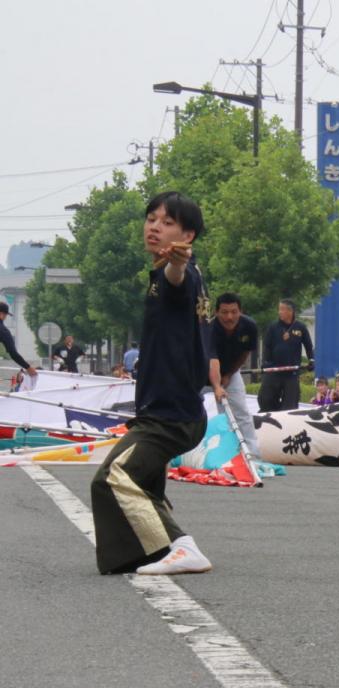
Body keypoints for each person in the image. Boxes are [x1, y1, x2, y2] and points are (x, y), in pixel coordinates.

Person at [90, 191, 212, 576]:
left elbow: (176, 277)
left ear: (187, 236)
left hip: (169, 415)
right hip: (171, 409)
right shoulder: (176, 275)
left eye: (167, 222)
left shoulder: (178, 274)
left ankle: (182, 546)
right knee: (145, 486)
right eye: (151, 218)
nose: (154, 227)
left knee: (112, 477)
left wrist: (178, 263)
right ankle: (154, 552)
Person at [207, 292, 260, 458]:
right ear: (216, 312)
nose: (229, 317)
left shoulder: (250, 326)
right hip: (201, 369)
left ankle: (252, 456)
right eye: (224, 312)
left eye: (234, 312)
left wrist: (229, 374)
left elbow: (245, 353)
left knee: (241, 412)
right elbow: (212, 358)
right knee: (189, 411)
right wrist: (217, 386)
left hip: (230, 370)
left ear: (240, 311)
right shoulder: (208, 328)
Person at [259, 299, 313, 412]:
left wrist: (311, 360)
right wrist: (265, 363)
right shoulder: (273, 327)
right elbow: (267, 347)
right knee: (265, 399)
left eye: (282, 309)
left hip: (291, 372)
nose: (279, 312)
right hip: (274, 369)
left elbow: (308, 346)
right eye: (279, 309)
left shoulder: (300, 327)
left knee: (291, 404)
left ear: (290, 311)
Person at [0, 301, 37, 377]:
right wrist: (28, 367)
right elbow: (13, 353)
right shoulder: (3, 331)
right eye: (6, 315)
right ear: (2, 314)